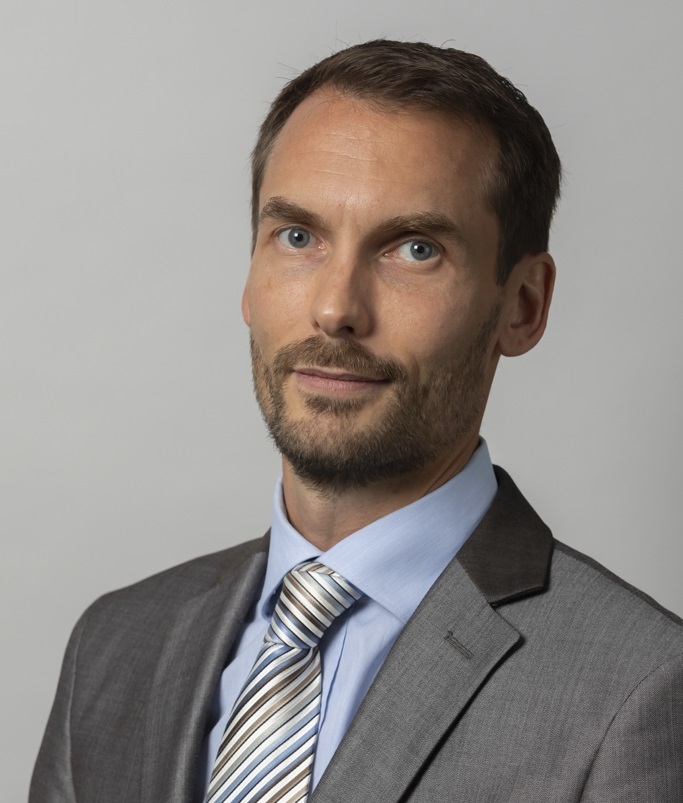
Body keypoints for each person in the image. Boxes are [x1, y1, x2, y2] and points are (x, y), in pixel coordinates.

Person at [31, 39, 683, 803]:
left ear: (522, 305)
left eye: (414, 249)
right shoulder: (114, 645)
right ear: (250, 273)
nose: (335, 308)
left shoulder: (637, 688)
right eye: (297, 237)